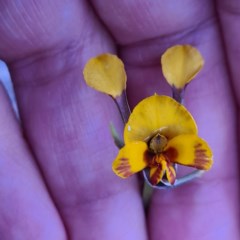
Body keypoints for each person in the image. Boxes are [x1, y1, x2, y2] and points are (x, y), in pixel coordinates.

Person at [0, 1, 239, 239]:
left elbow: (202, 158)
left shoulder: (167, 154)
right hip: (142, 153)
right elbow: (129, 164)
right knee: (115, 87)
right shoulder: (144, 157)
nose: (159, 150)